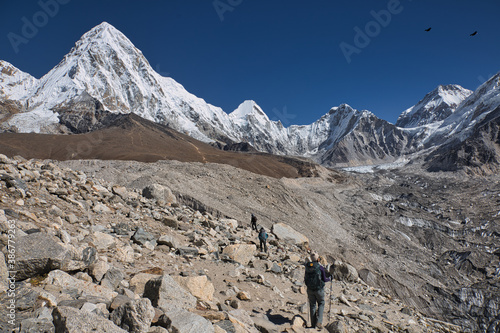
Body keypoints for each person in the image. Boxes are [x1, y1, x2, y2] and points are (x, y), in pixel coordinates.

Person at [304, 252, 331, 330]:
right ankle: (319, 322)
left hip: (310, 289)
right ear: (318, 259)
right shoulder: (320, 267)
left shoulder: (307, 267)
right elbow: (324, 279)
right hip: (319, 289)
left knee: (312, 305)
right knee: (321, 303)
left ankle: (312, 324)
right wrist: (330, 278)